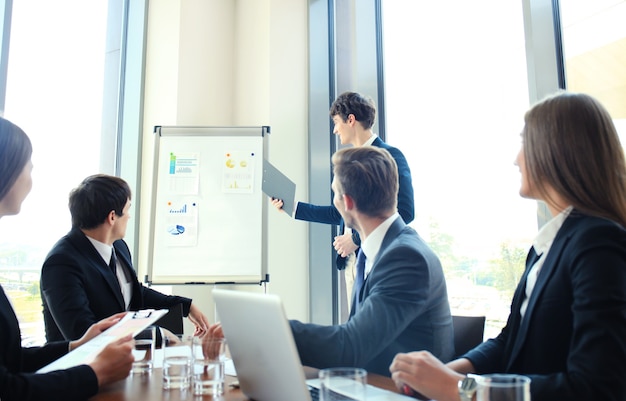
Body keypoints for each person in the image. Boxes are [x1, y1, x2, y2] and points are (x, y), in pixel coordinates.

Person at [389, 92, 626, 401]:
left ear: (555, 150)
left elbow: (596, 388)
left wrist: (458, 389)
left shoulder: (597, 243)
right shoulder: (547, 246)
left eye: (524, 142)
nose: (516, 158)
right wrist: (451, 372)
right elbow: (509, 341)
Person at [0, 116, 135, 401]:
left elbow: (11, 361)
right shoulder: (63, 260)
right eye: (28, 166)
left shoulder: (119, 248)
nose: (31, 176)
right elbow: (7, 388)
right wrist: (95, 372)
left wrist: (77, 345)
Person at [289, 146, 453, 376]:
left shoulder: (406, 258)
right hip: (370, 379)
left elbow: (350, 346)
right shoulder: (381, 250)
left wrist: (272, 329)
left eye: (334, 194)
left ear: (347, 202)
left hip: (396, 390)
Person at [272, 91, 415, 304]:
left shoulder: (390, 156)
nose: (334, 129)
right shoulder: (349, 163)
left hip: (378, 262)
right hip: (352, 264)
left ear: (351, 120)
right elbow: (338, 213)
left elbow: (405, 212)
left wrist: (355, 239)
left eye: (337, 122)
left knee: (373, 331)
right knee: (358, 331)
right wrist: (293, 208)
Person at [40, 174, 213, 342]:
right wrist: (158, 335)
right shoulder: (61, 263)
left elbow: (133, 292)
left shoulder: (118, 246)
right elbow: (82, 334)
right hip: (80, 367)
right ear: (112, 217)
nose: (129, 216)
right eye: (128, 209)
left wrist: (186, 306)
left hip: (121, 359)